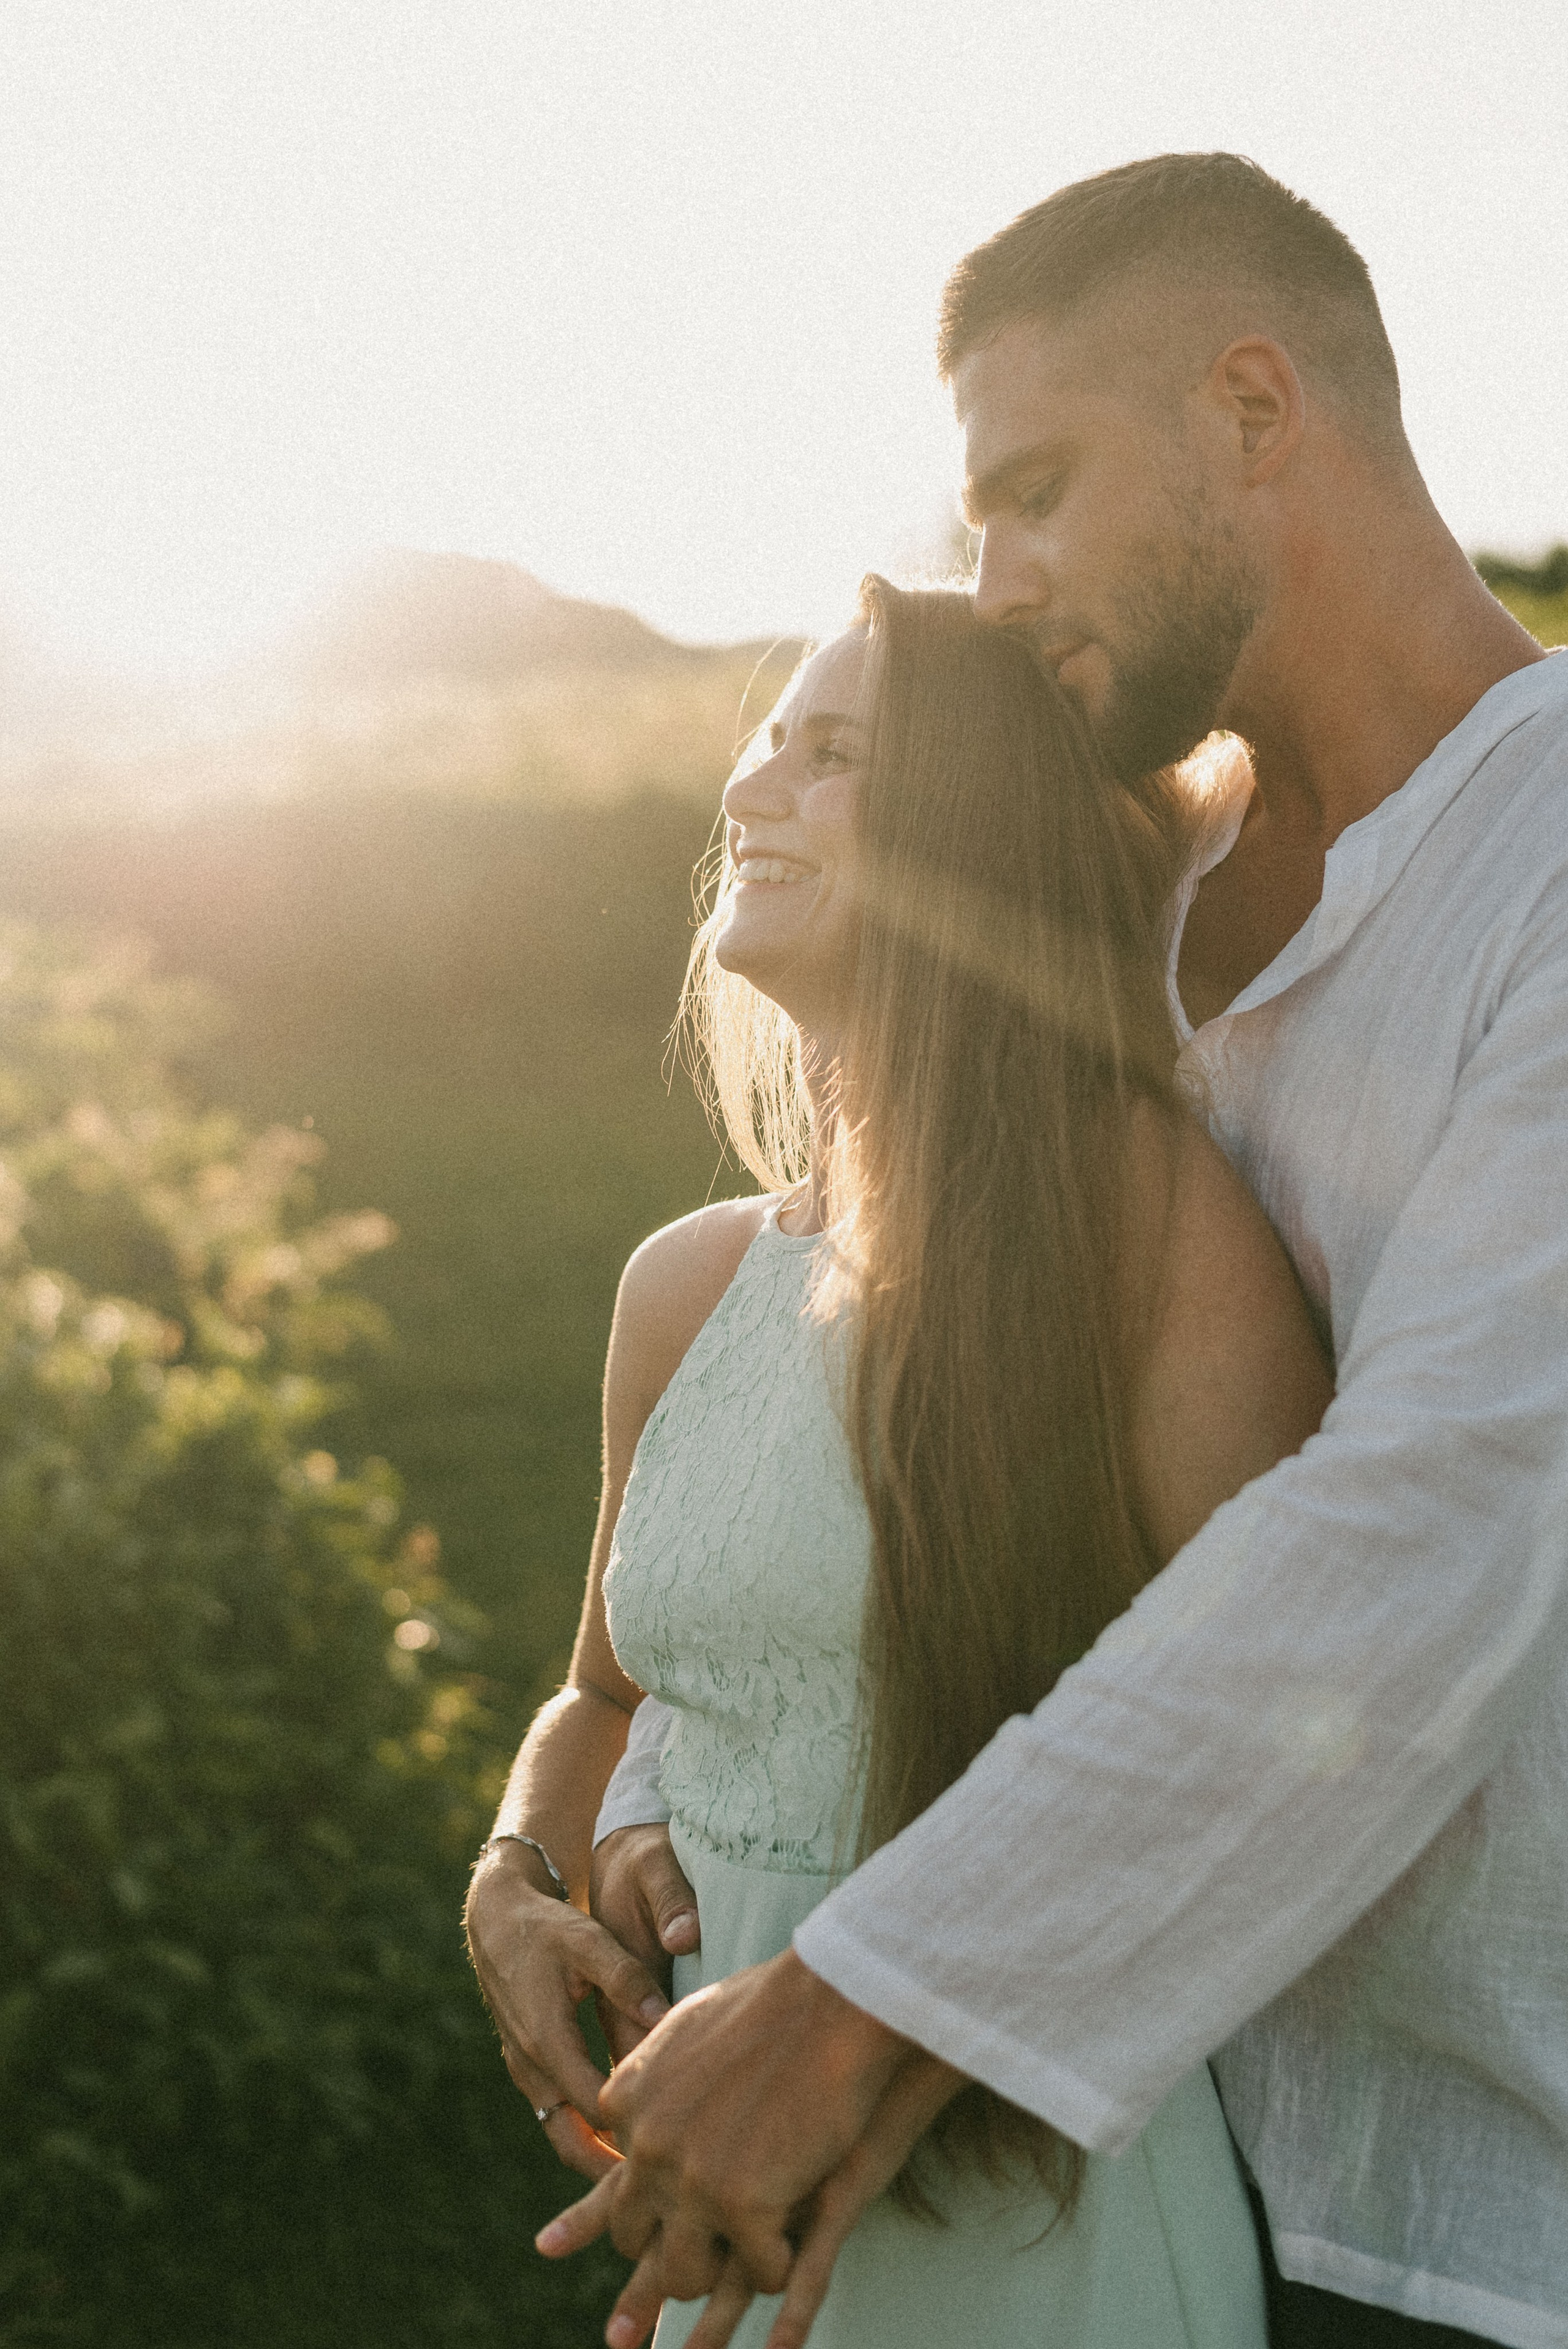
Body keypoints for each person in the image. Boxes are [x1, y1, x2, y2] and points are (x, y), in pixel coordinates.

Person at [530, 155, 1568, 2349]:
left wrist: (856, 2001)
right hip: (1135, 2133)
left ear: (1255, 405)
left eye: (1034, 491)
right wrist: (568, 1831)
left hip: (1475, 2210)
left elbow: (1432, 1521)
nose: (992, 586)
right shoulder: (1150, 896)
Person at [466, 574, 1332, 2347]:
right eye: (762, 748)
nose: (748, 792)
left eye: (835, 754)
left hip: (1037, 2216)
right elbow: (602, 1697)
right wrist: (513, 1877)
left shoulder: (1145, 1227)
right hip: (719, 2215)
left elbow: (1290, 1757)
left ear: (979, 831)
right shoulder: (685, 1283)